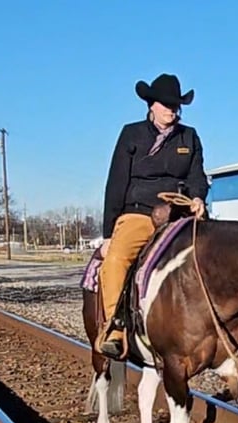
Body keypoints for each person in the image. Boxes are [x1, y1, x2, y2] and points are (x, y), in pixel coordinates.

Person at [95, 73, 209, 358]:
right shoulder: (131, 134)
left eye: (176, 105)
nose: (172, 109)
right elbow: (116, 182)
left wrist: (197, 197)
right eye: (166, 104)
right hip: (139, 214)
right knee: (116, 260)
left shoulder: (189, 137)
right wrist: (109, 233)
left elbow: (198, 176)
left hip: (179, 215)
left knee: (213, 255)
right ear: (151, 104)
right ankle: (115, 328)